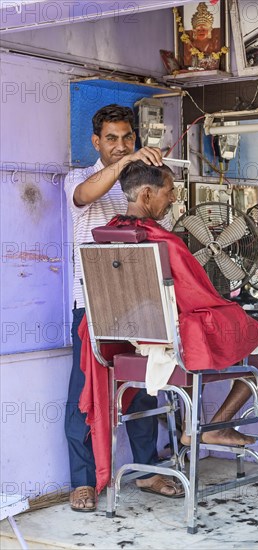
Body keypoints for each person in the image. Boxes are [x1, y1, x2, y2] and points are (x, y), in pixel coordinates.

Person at [109, 160, 258, 449]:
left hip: (134, 341)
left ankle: (191, 425)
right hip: (174, 345)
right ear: (147, 195)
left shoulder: (108, 238)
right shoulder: (165, 243)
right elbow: (198, 298)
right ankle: (211, 427)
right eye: (170, 191)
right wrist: (231, 308)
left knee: (190, 327)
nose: (174, 198)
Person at [64, 104, 175, 512]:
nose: (120, 145)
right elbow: (84, 196)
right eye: (112, 138)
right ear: (97, 141)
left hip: (137, 303)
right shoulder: (78, 177)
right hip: (91, 306)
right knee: (84, 395)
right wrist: (128, 161)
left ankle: (146, 470)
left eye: (128, 138)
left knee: (144, 389)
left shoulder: (137, 181)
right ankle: (83, 482)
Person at [183, 2, 221, 68]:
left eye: (203, 30)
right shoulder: (192, 44)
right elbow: (188, 59)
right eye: (198, 30)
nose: (201, 32)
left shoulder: (212, 43)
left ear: (209, 30)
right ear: (194, 31)